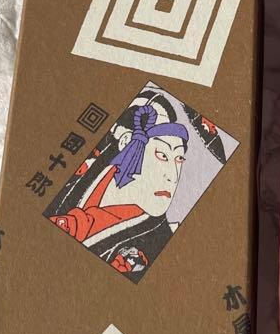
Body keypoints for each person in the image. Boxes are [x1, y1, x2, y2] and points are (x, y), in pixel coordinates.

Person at [45, 96, 189, 281]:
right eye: (161, 154)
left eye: (179, 159)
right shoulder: (86, 165)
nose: (172, 176)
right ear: (125, 140)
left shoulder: (160, 240)